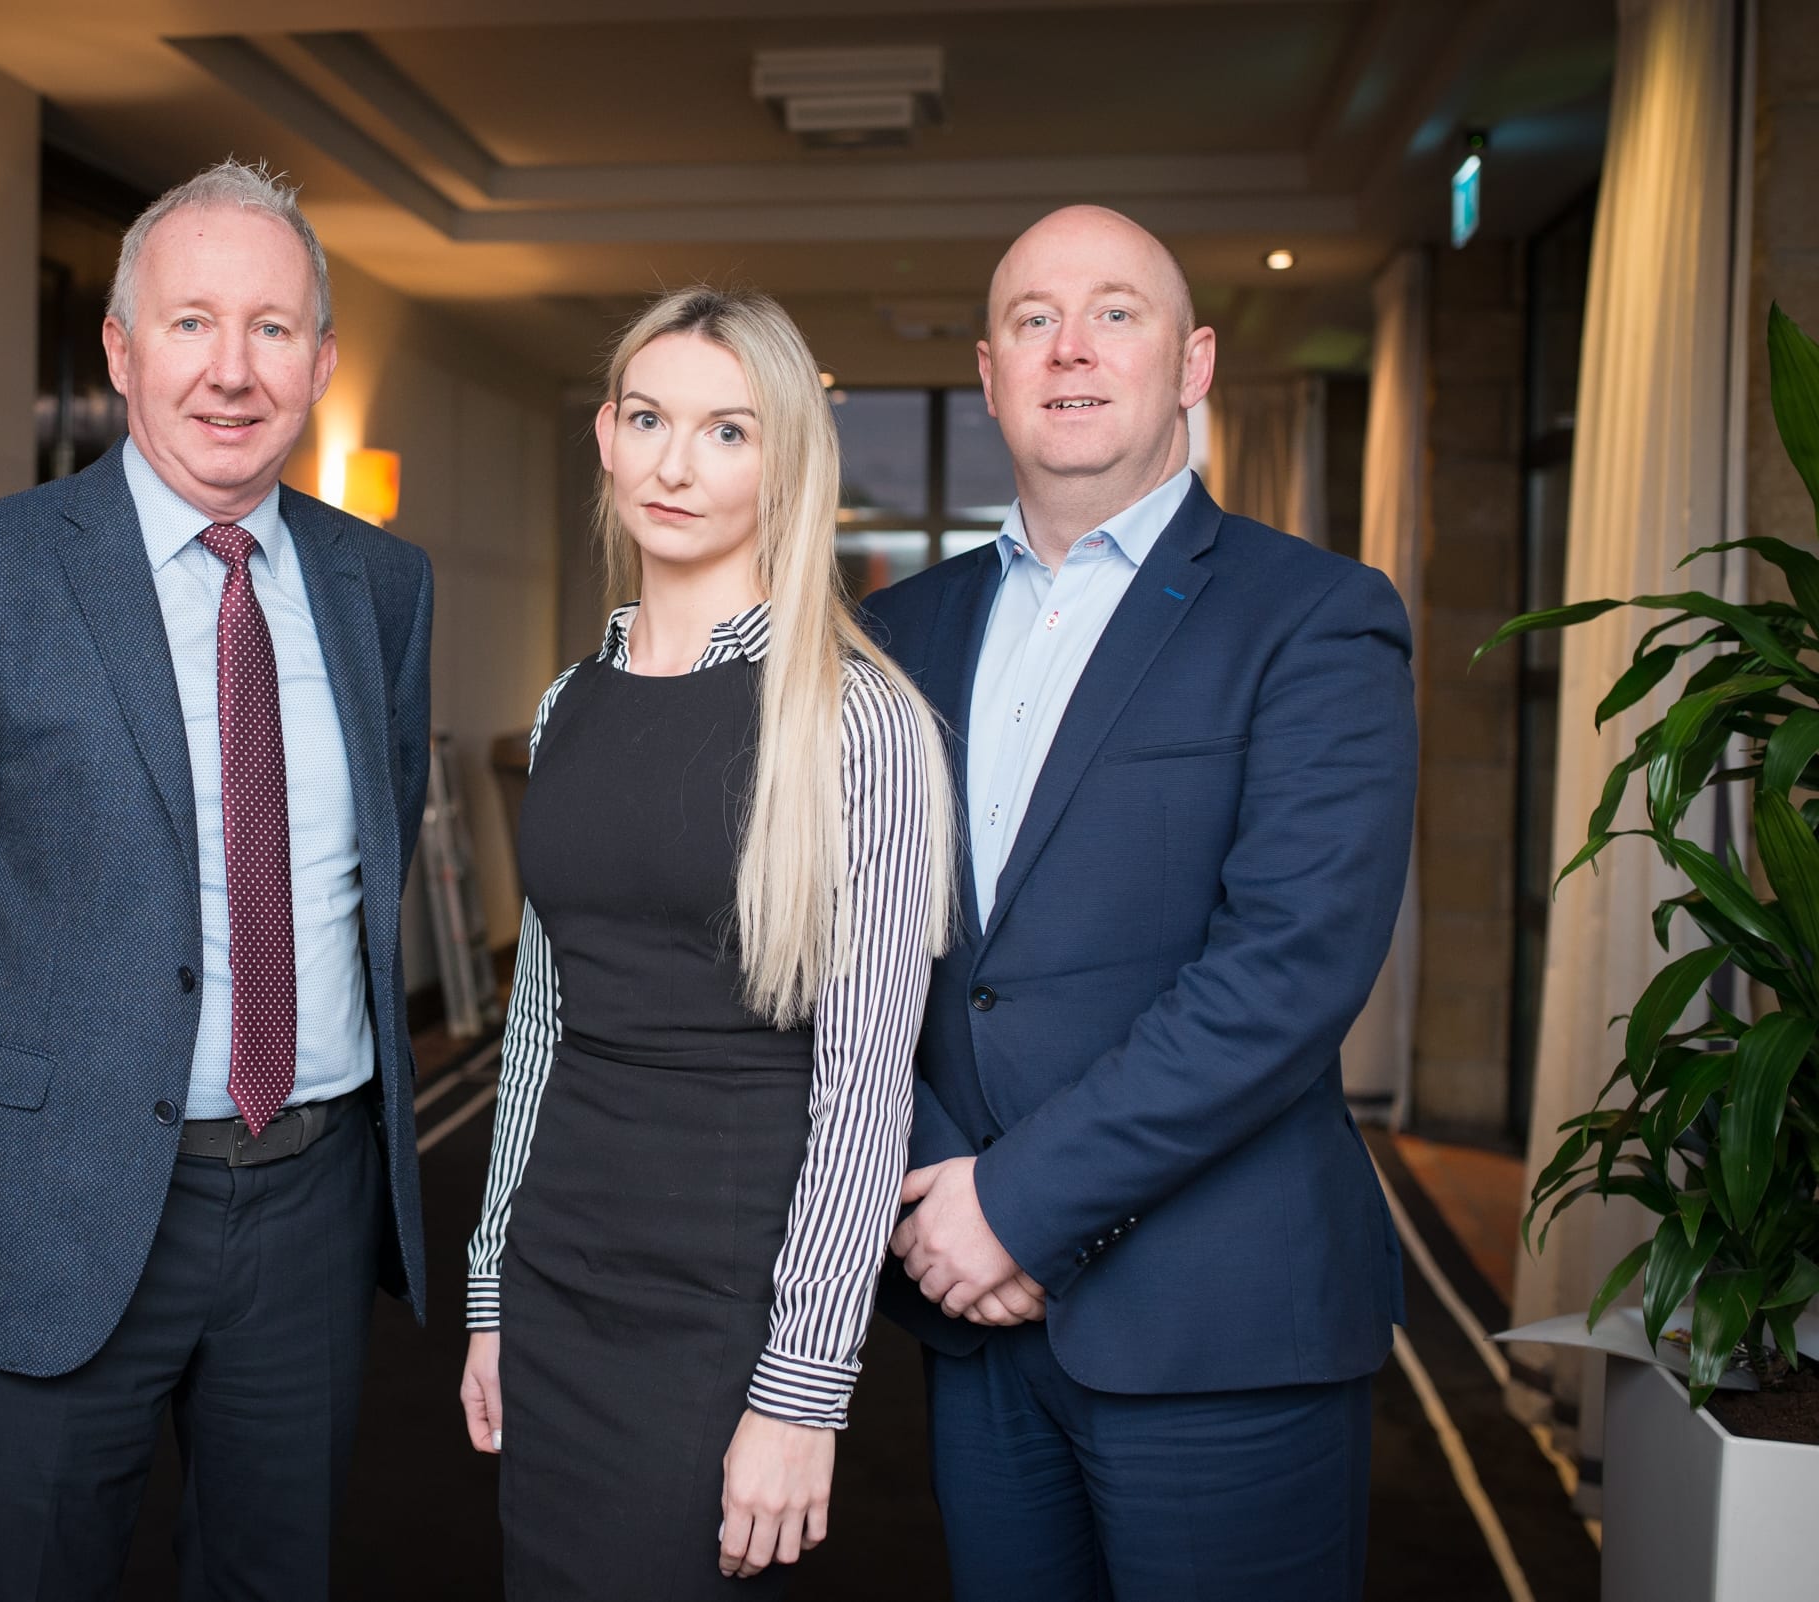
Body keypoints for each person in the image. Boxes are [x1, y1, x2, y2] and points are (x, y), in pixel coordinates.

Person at [0, 159, 433, 1601]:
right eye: (189, 324)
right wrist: (39, 1098)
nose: (232, 370)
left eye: (273, 329)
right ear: (119, 349)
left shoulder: (383, 584)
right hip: (59, 1200)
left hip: (309, 1199)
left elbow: (384, 847)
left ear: (321, 360)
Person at [861, 204, 1417, 1601]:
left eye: (1117, 311)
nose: (1072, 348)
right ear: (988, 373)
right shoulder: (893, 635)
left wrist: (1018, 1206)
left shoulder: (1316, 616)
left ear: (1194, 362)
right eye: (1033, 319)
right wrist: (940, 1191)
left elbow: (1286, 971)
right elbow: (849, 941)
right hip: (970, 1309)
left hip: (1217, 1324)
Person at [457, 287, 957, 1597]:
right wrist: (492, 1281)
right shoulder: (571, 702)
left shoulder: (862, 721)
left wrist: (804, 1391)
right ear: (609, 440)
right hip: (561, 1281)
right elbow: (541, 1025)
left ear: (785, 464)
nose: (676, 463)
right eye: (648, 418)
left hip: (728, 1310)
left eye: (728, 431)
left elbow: (864, 1086)